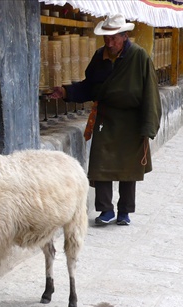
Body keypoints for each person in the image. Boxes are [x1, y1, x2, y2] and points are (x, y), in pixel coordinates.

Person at [50, 13, 161, 226]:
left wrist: (148, 126)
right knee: (101, 164)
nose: (109, 43)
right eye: (106, 38)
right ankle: (105, 210)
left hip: (132, 120)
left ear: (125, 36)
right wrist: (65, 92)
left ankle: (125, 212)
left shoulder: (139, 57)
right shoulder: (99, 57)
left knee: (128, 169)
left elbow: (150, 93)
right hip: (106, 118)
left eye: (114, 38)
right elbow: (89, 87)